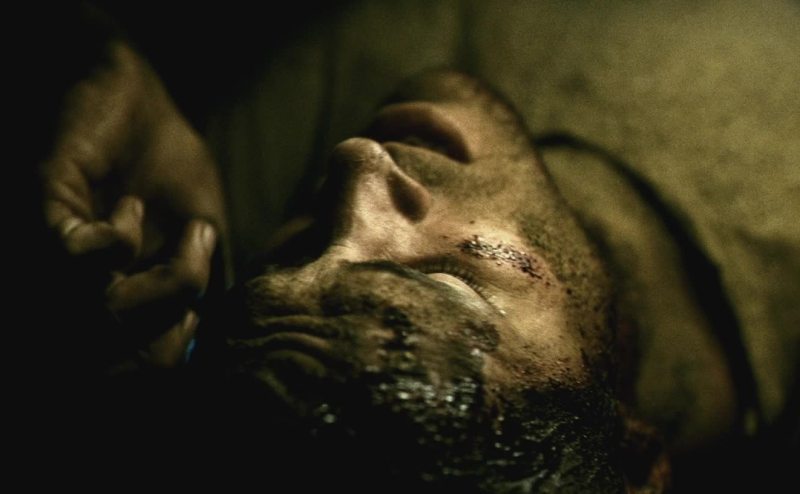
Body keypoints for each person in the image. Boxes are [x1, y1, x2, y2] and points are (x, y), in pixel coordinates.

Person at [30, 8, 796, 491]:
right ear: (632, 457)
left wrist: (79, 52)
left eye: (294, 256)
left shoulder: (220, 199)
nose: (358, 164)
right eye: (447, 287)